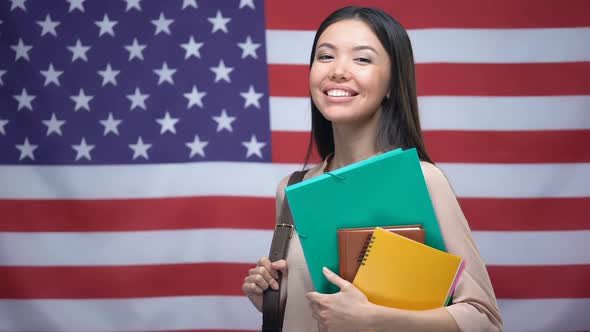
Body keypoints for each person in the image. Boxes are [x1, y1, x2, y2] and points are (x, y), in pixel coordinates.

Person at [242, 6, 503, 332]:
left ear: (392, 83)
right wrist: (274, 300)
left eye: (362, 59)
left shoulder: (421, 180)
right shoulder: (292, 189)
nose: (338, 70)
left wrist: (374, 319)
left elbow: (484, 320)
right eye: (325, 56)